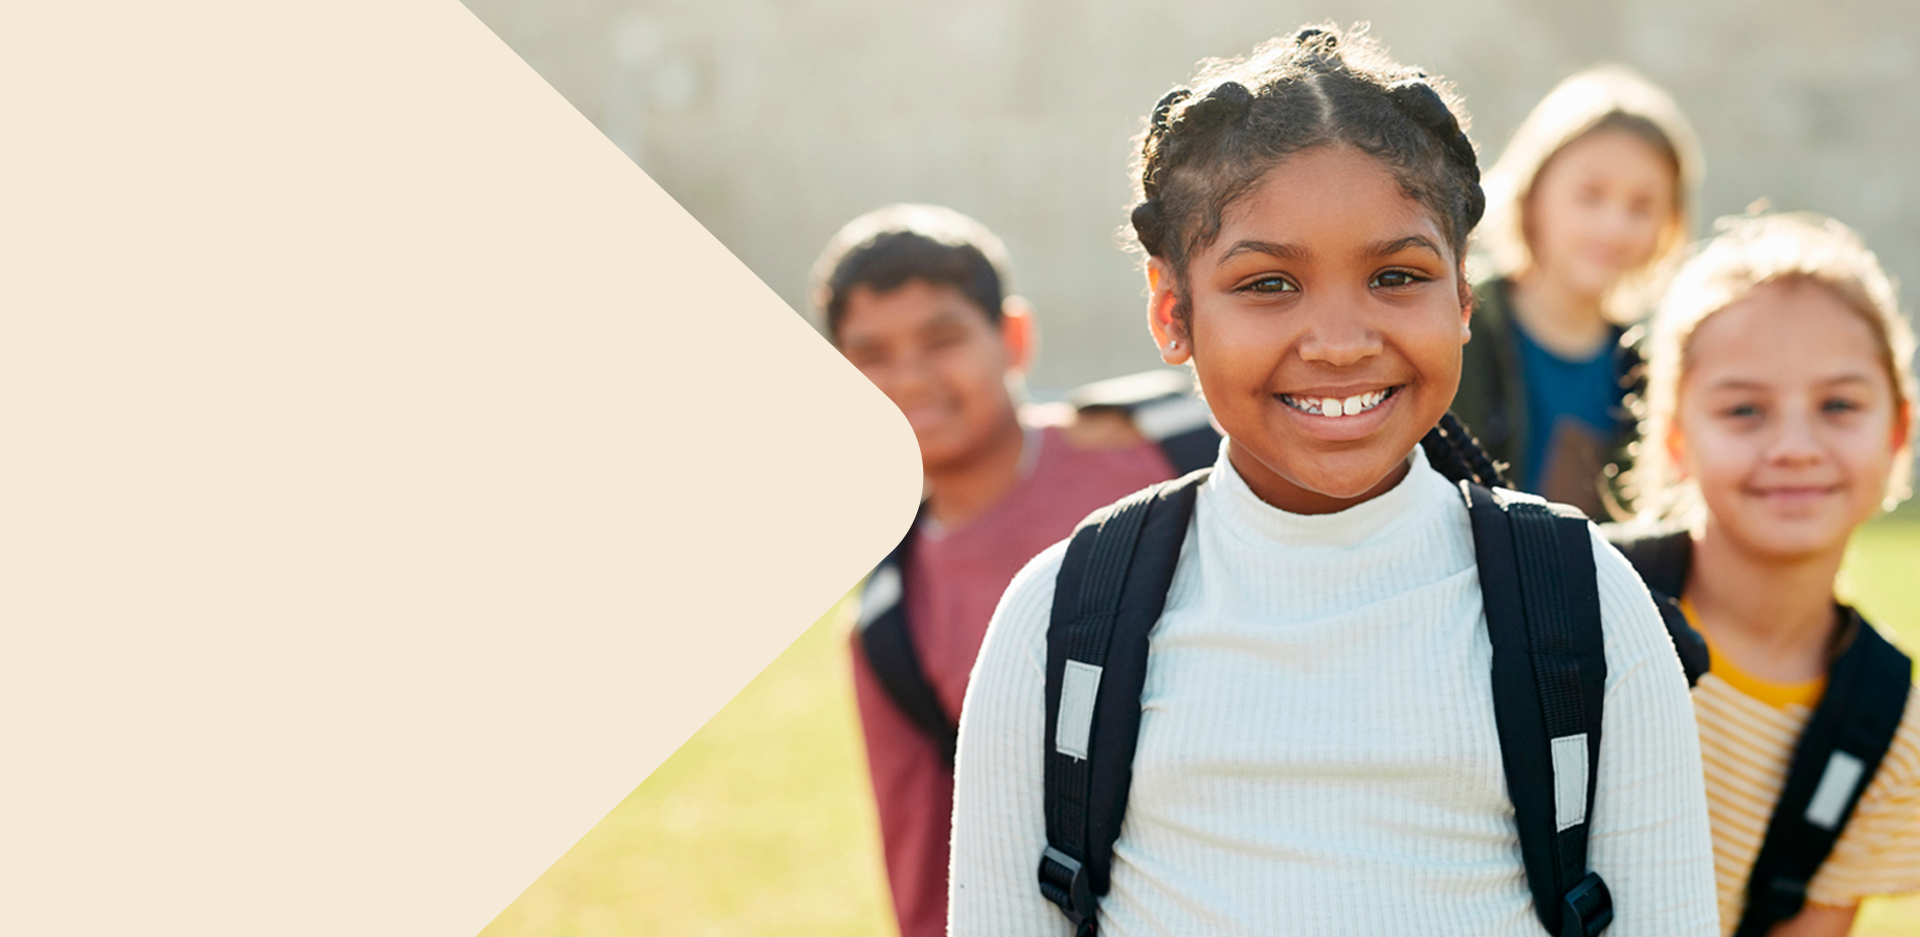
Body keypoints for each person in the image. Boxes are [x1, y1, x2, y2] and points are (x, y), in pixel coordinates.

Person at [948, 26, 1716, 936]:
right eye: (1269, 284)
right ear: (1172, 310)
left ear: (1463, 297)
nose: (1342, 342)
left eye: (1397, 275)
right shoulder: (1061, 621)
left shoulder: (1590, 606)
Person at [811, 204, 1215, 937]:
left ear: (1014, 338)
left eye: (942, 339)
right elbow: (933, 890)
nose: (910, 378)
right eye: (871, 354)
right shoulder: (890, 628)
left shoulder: (1174, 445)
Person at [1609, 212, 1920, 937]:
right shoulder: (1575, 599)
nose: (1794, 447)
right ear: (1676, 438)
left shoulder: (1888, 731)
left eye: (1838, 405)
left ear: (1897, 432)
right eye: (1745, 409)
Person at [1453, 66, 1703, 517]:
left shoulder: (1643, 375)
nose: (1614, 226)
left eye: (1642, 205)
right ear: (1533, 192)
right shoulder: (1454, 323)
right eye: (1590, 195)